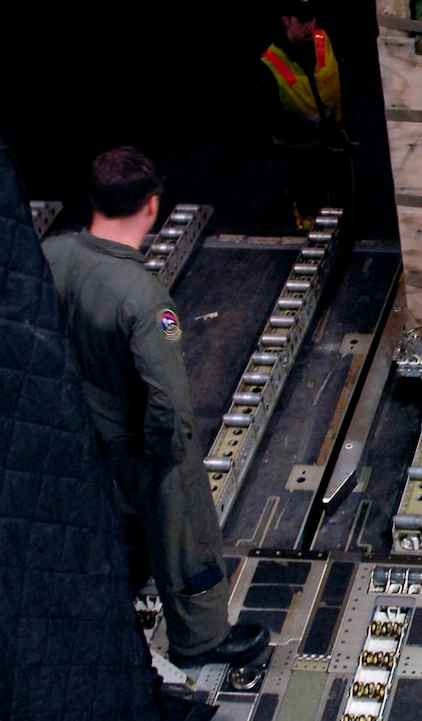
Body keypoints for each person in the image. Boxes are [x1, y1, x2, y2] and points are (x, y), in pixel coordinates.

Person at [44, 146, 268, 669]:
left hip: (80, 425)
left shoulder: (53, 254)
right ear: (151, 206)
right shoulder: (145, 301)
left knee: (111, 529)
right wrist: (167, 454)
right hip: (139, 440)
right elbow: (166, 396)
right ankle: (202, 638)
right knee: (185, 534)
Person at [259, 0, 345, 230]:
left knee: (340, 196)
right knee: (308, 203)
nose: (309, 26)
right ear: (286, 20)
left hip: (333, 139)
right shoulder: (271, 64)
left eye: (312, 19)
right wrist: (312, 130)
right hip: (298, 151)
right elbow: (271, 119)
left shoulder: (323, 39)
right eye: (302, 21)